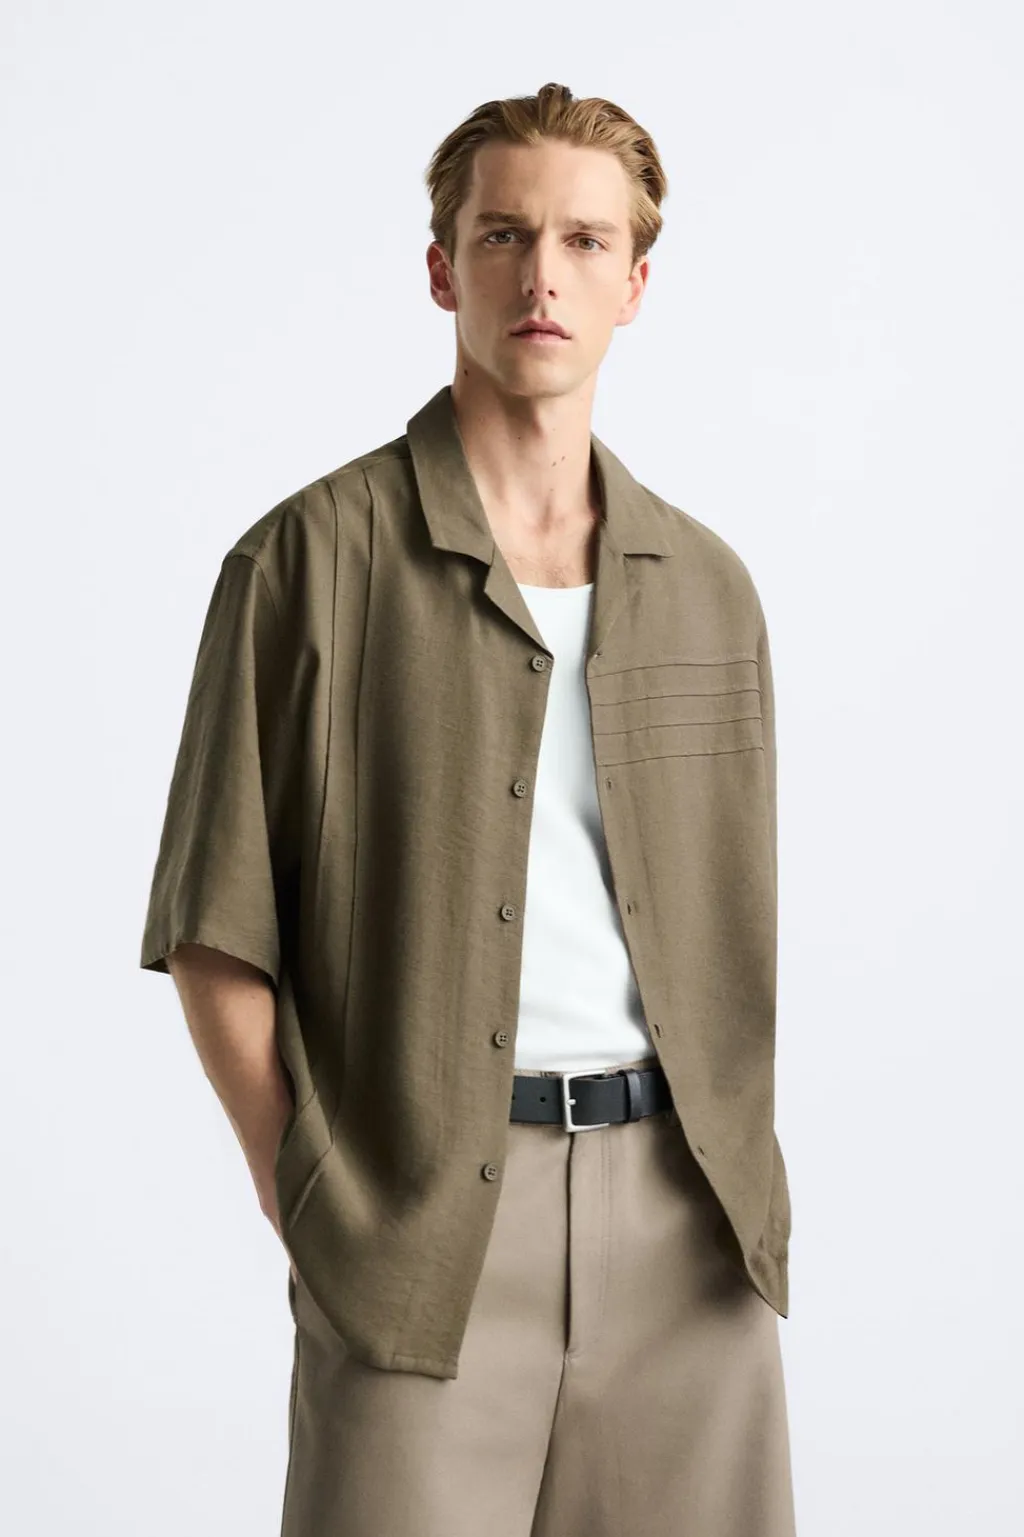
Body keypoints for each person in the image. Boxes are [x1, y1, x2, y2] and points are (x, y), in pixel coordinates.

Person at [140, 80, 796, 1537]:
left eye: (584, 240)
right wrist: (312, 1197)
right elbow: (212, 923)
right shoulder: (307, 563)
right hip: (420, 1229)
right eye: (504, 235)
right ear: (444, 269)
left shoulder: (708, 588)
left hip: (690, 1230)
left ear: (636, 284)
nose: (541, 276)